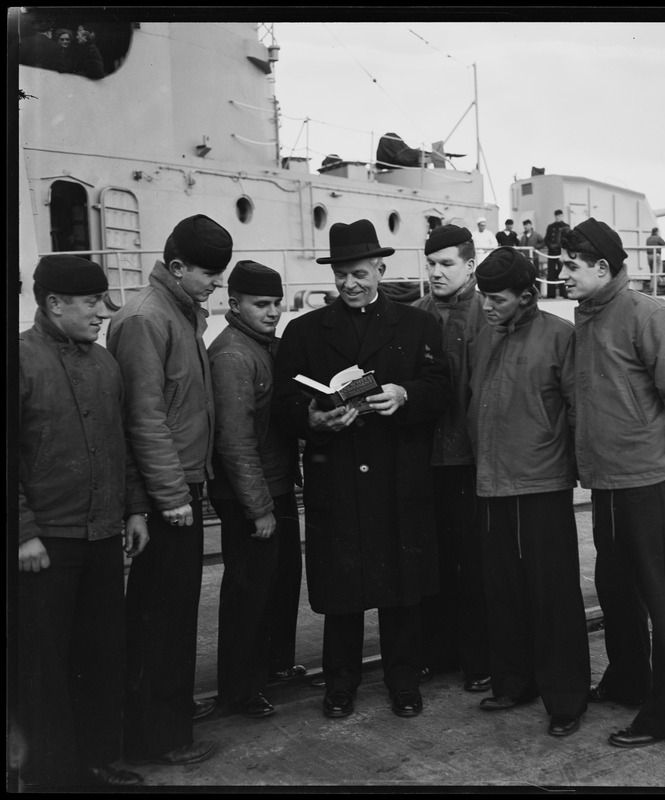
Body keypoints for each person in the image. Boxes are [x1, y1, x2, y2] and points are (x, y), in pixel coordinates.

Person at [273, 219, 450, 721]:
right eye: (342, 276)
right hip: (338, 476)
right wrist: (311, 418)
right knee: (343, 593)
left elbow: (441, 387)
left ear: (380, 268)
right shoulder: (305, 331)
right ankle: (340, 685)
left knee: (400, 591)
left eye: (359, 273)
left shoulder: (418, 325)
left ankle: (403, 682)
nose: (350, 284)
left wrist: (404, 394)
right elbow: (283, 402)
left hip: (398, 476)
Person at [558, 218, 665, 749]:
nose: (562, 274)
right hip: (608, 483)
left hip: (647, 481)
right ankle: (628, 680)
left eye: (570, 266)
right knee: (616, 590)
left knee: (661, 599)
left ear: (602, 268)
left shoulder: (649, 315)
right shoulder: (590, 318)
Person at [16, 255, 150, 789]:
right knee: (44, 667)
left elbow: (123, 444)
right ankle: (50, 777)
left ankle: (97, 762)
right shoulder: (21, 361)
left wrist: (135, 507)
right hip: (45, 543)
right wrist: (22, 531)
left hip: (102, 536)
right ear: (53, 304)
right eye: (92, 302)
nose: (103, 313)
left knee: (100, 655)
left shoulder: (104, 364)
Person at [107, 213, 233, 766]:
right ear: (176, 267)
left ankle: (168, 711)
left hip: (179, 485)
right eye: (209, 274)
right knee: (160, 616)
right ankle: (158, 736)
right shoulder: (147, 319)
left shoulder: (177, 313)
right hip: (168, 495)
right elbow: (144, 418)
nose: (215, 284)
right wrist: (171, 496)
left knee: (174, 611)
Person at [468, 248, 590, 738]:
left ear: (527, 295)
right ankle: (514, 682)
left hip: (542, 485)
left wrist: (579, 473)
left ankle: (566, 698)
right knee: (502, 592)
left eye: (496, 299)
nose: (487, 306)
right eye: (482, 298)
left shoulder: (561, 337)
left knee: (553, 595)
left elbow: (578, 410)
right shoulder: (485, 338)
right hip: (492, 483)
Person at [207, 261, 305, 721]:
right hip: (252, 496)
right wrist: (259, 509)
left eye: (276, 303)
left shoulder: (262, 345)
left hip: (275, 486)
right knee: (250, 594)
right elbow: (235, 440)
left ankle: (273, 668)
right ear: (234, 305)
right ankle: (240, 690)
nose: (272, 312)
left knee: (280, 585)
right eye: (260, 305)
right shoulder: (233, 355)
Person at [413, 225, 491, 692]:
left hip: (472, 461)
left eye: (446, 264)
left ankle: (478, 657)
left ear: (469, 264)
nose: (437, 273)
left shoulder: (488, 313)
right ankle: (437, 653)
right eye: (431, 264)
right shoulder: (417, 315)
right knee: (432, 561)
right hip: (426, 460)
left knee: (474, 564)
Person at [544, 209, 571, 299]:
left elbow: (567, 238)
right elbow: (546, 239)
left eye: (559, 216)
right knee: (550, 273)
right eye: (556, 216)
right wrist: (551, 245)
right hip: (551, 253)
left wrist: (558, 245)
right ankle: (551, 294)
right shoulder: (550, 227)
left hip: (561, 252)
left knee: (563, 271)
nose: (557, 217)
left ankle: (564, 293)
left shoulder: (566, 226)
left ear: (562, 216)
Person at [519, 219, 546, 289]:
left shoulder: (536, 235)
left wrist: (535, 247)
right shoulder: (523, 237)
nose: (525, 227)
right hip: (525, 259)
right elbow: (520, 246)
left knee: (536, 275)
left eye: (527, 225)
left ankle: (537, 290)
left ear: (530, 225)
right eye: (524, 225)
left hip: (534, 258)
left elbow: (543, 243)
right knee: (526, 275)